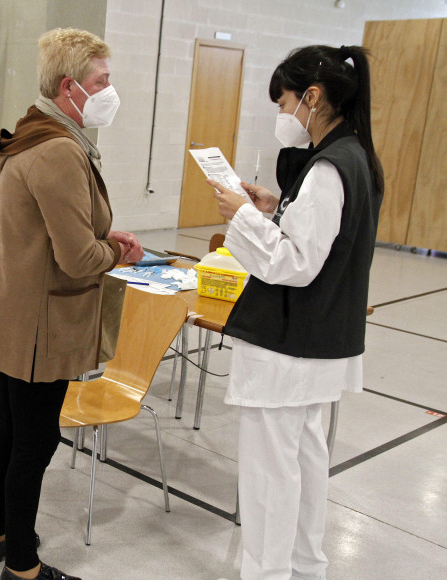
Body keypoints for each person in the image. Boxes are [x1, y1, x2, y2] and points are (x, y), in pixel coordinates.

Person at [0, 28, 143, 580]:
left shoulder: (30, 133)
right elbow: (75, 257)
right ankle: (22, 566)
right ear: (70, 87)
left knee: (11, 431)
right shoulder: (60, 150)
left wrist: (104, 242)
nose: (110, 91)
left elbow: (53, 236)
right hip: (40, 324)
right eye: (101, 82)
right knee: (35, 441)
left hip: (12, 312)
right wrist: (118, 254)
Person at [207, 45, 384, 580]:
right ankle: (306, 567)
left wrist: (241, 219)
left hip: (292, 345)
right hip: (318, 344)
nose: (282, 115)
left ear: (312, 97)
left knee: (270, 476)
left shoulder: (330, 166)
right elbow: (318, 238)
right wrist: (272, 207)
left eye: (284, 101)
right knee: (303, 466)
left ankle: (267, 573)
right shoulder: (352, 156)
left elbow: (296, 263)